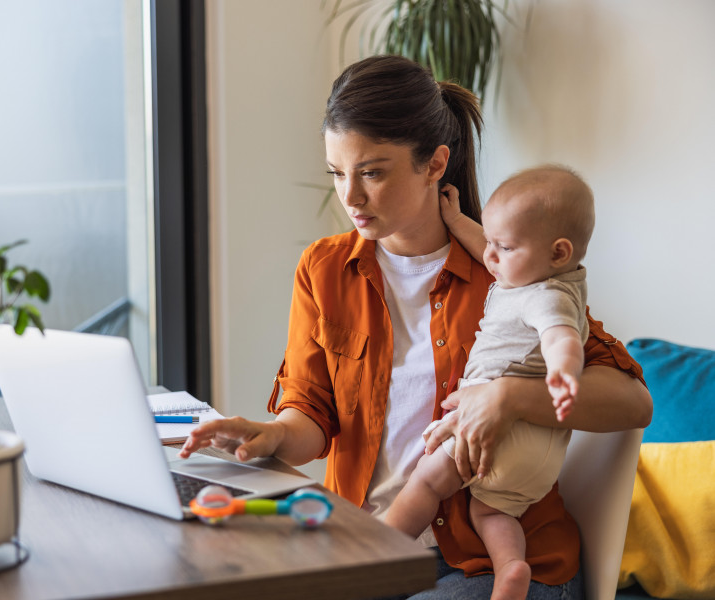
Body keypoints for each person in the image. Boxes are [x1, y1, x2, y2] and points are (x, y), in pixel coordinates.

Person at [179, 55, 651, 599]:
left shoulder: (508, 275)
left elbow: (632, 402)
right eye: (337, 173)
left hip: (494, 566)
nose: (350, 197)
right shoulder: (324, 269)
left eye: (372, 172)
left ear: (434, 165)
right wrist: (274, 435)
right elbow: (311, 416)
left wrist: (507, 398)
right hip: (367, 548)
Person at [382, 165, 596, 600]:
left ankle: (372, 549)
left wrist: (563, 368)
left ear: (558, 253)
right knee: (491, 510)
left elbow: (562, 336)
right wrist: (458, 221)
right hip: (535, 453)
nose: (492, 257)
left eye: (505, 246)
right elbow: (487, 248)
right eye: (492, 244)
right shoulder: (534, 273)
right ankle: (510, 567)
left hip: (498, 429)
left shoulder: (547, 296)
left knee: (426, 480)